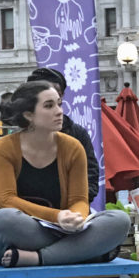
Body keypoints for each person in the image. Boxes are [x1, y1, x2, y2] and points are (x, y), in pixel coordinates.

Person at [0, 81, 130, 267]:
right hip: (23, 232)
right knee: (2, 219)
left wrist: (76, 218)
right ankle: (83, 253)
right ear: (28, 115)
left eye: (59, 104)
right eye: (49, 106)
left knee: (119, 221)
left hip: (63, 231)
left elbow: (79, 199)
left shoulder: (73, 147)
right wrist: (57, 217)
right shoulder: (3, 148)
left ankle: (38, 259)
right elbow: (6, 199)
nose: (59, 111)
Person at [26, 68, 100, 203]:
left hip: (72, 212)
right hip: (28, 215)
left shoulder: (77, 134)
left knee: (118, 219)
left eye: (56, 96)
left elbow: (91, 175)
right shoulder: (16, 140)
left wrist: (76, 202)